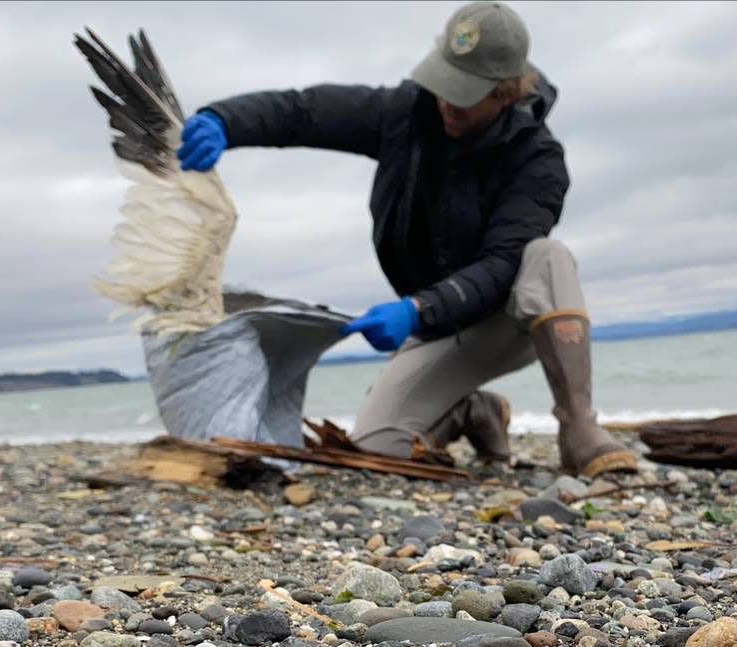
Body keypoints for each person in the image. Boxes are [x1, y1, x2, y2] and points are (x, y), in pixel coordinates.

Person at [177, 1, 636, 478]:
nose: (446, 102)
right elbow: (305, 112)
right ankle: (474, 410)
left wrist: (416, 310)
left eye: (464, 94)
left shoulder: (538, 161)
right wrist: (225, 121)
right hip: (437, 323)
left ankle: (580, 427)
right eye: (445, 83)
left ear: (505, 94)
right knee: (378, 451)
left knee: (548, 257)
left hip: (509, 318)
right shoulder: (406, 112)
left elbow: (502, 266)